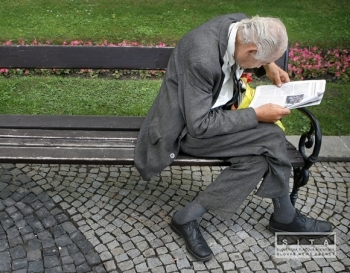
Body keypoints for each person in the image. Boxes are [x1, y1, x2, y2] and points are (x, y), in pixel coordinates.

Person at [134, 13, 332, 262]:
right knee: (271, 136)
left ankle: (186, 217)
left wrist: (270, 65)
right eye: (262, 60)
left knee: (258, 160)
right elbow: (199, 126)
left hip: (218, 112)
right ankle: (285, 217)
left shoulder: (240, 25)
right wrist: (256, 115)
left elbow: (251, 32)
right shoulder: (202, 59)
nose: (261, 66)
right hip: (184, 130)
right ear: (251, 50)